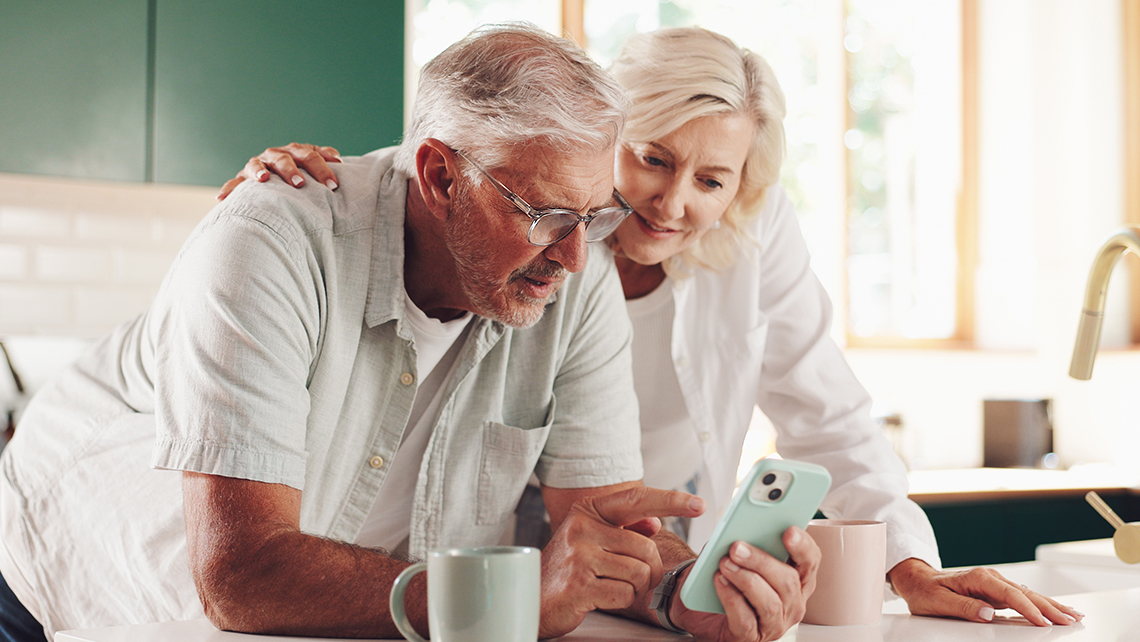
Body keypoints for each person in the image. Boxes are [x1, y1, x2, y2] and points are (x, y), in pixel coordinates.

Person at [227, 26, 1086, 628]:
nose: (673, 203)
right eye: (653, 158)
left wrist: (908, 567)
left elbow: (831, 417)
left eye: (712, 180)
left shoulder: (748, 242)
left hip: (648, 575)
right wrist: (306, 183)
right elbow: (441, 181)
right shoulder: (519, 229)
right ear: (604, 137)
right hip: (496, 568)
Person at [0, 24, 818, 642]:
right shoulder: (270, 240)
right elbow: (241, 575)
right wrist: (503, 600)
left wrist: (692, 594)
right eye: (545, 216)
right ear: (438, 176)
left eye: (593, 215)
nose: (574, 255)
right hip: (59, 580)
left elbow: (599, 534)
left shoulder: (573, 270)